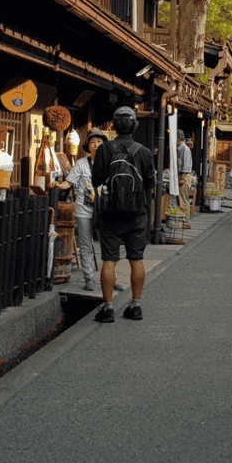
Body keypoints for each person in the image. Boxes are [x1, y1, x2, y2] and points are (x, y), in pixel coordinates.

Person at [91, 106, 156, 323]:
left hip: (111, 214)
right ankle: (135, 306)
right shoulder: (145, 152)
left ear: (114, 126)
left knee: (109, 260)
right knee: (136, 260)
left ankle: (108, 308)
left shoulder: (105, 149)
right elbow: (150, 184)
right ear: (135, 125)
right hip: (138, 214)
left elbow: (96, 180)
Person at [53, 128, 107, 292]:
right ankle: (89, 278)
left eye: (99, 142)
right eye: (92, 142)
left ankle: (111, 278)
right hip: (85, 209)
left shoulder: (110, 162)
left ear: (104, 145)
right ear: (87, 146)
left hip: (105, 210)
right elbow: (68, 183)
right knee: (85, 245)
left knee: (108, 245)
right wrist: (58, 184)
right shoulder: (82, 163)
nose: (96, 145)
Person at [176, 130, 194, 228]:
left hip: (184, 176)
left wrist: (182, 178)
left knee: (183, 199)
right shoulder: (179, 148)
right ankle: (181, 220)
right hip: (180, 175)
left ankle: (186, 222)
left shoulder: (185, 149)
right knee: (181, 199)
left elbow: (186, 165)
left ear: (178, 139)